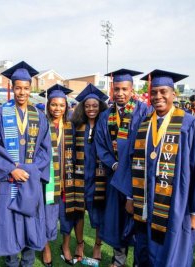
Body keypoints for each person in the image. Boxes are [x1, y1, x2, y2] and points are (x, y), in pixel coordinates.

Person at [112, 69, 195, 266]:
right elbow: (131, 161)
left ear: (174, 94)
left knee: (172, 254)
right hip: (146, 203)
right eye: (154, 92)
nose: (158, 96)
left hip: (177, 206)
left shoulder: (190, 124)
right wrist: (130, 196)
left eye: (163, 91)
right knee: (145, 251)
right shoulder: (143, 124)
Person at [0, 61, 51, 267]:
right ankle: (12, 262)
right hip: (9, 180)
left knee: (30, 223)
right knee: (10, 226)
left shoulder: (39, 116)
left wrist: (31, 170)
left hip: (30, 181)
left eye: (25, 88)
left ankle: (28, 261)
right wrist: (11, 169)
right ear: (12, 88)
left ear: (30, 89)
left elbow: (45, 149)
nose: (22, 92)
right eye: (18, 88)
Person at [96, 69, 151, 267]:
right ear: (112, 89)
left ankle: (138, 261)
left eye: (124, 89)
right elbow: (100, 146)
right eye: (117, 89)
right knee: (118, 218)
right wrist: (115, 164)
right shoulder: (106, 115)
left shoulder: (144, 111)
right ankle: (118, 260)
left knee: (138, 219)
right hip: (116, 175)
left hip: (138, 176)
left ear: (132, 89)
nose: (120, 93)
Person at [70, 84, 108, 264]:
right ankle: (79, 244)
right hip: (80, 176)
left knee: (99, 212)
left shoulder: (106, 125)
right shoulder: (76, 125)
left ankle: (98, 245)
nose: (91, 109)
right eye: (87, 106)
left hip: (99, 177)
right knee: (78, 212)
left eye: (95, 105)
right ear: (82, 108)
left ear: (100, 106)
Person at [38, 84, 73, 266]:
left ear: (66, 106)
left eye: (61, 105)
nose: (57, 108)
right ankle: (46, 248)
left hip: (68, 180)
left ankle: (66, 246)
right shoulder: (42, 124)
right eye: (54, 104)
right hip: (49, 180)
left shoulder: (71, 126)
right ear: (48, 105)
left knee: (68, 217)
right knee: (48, 217)